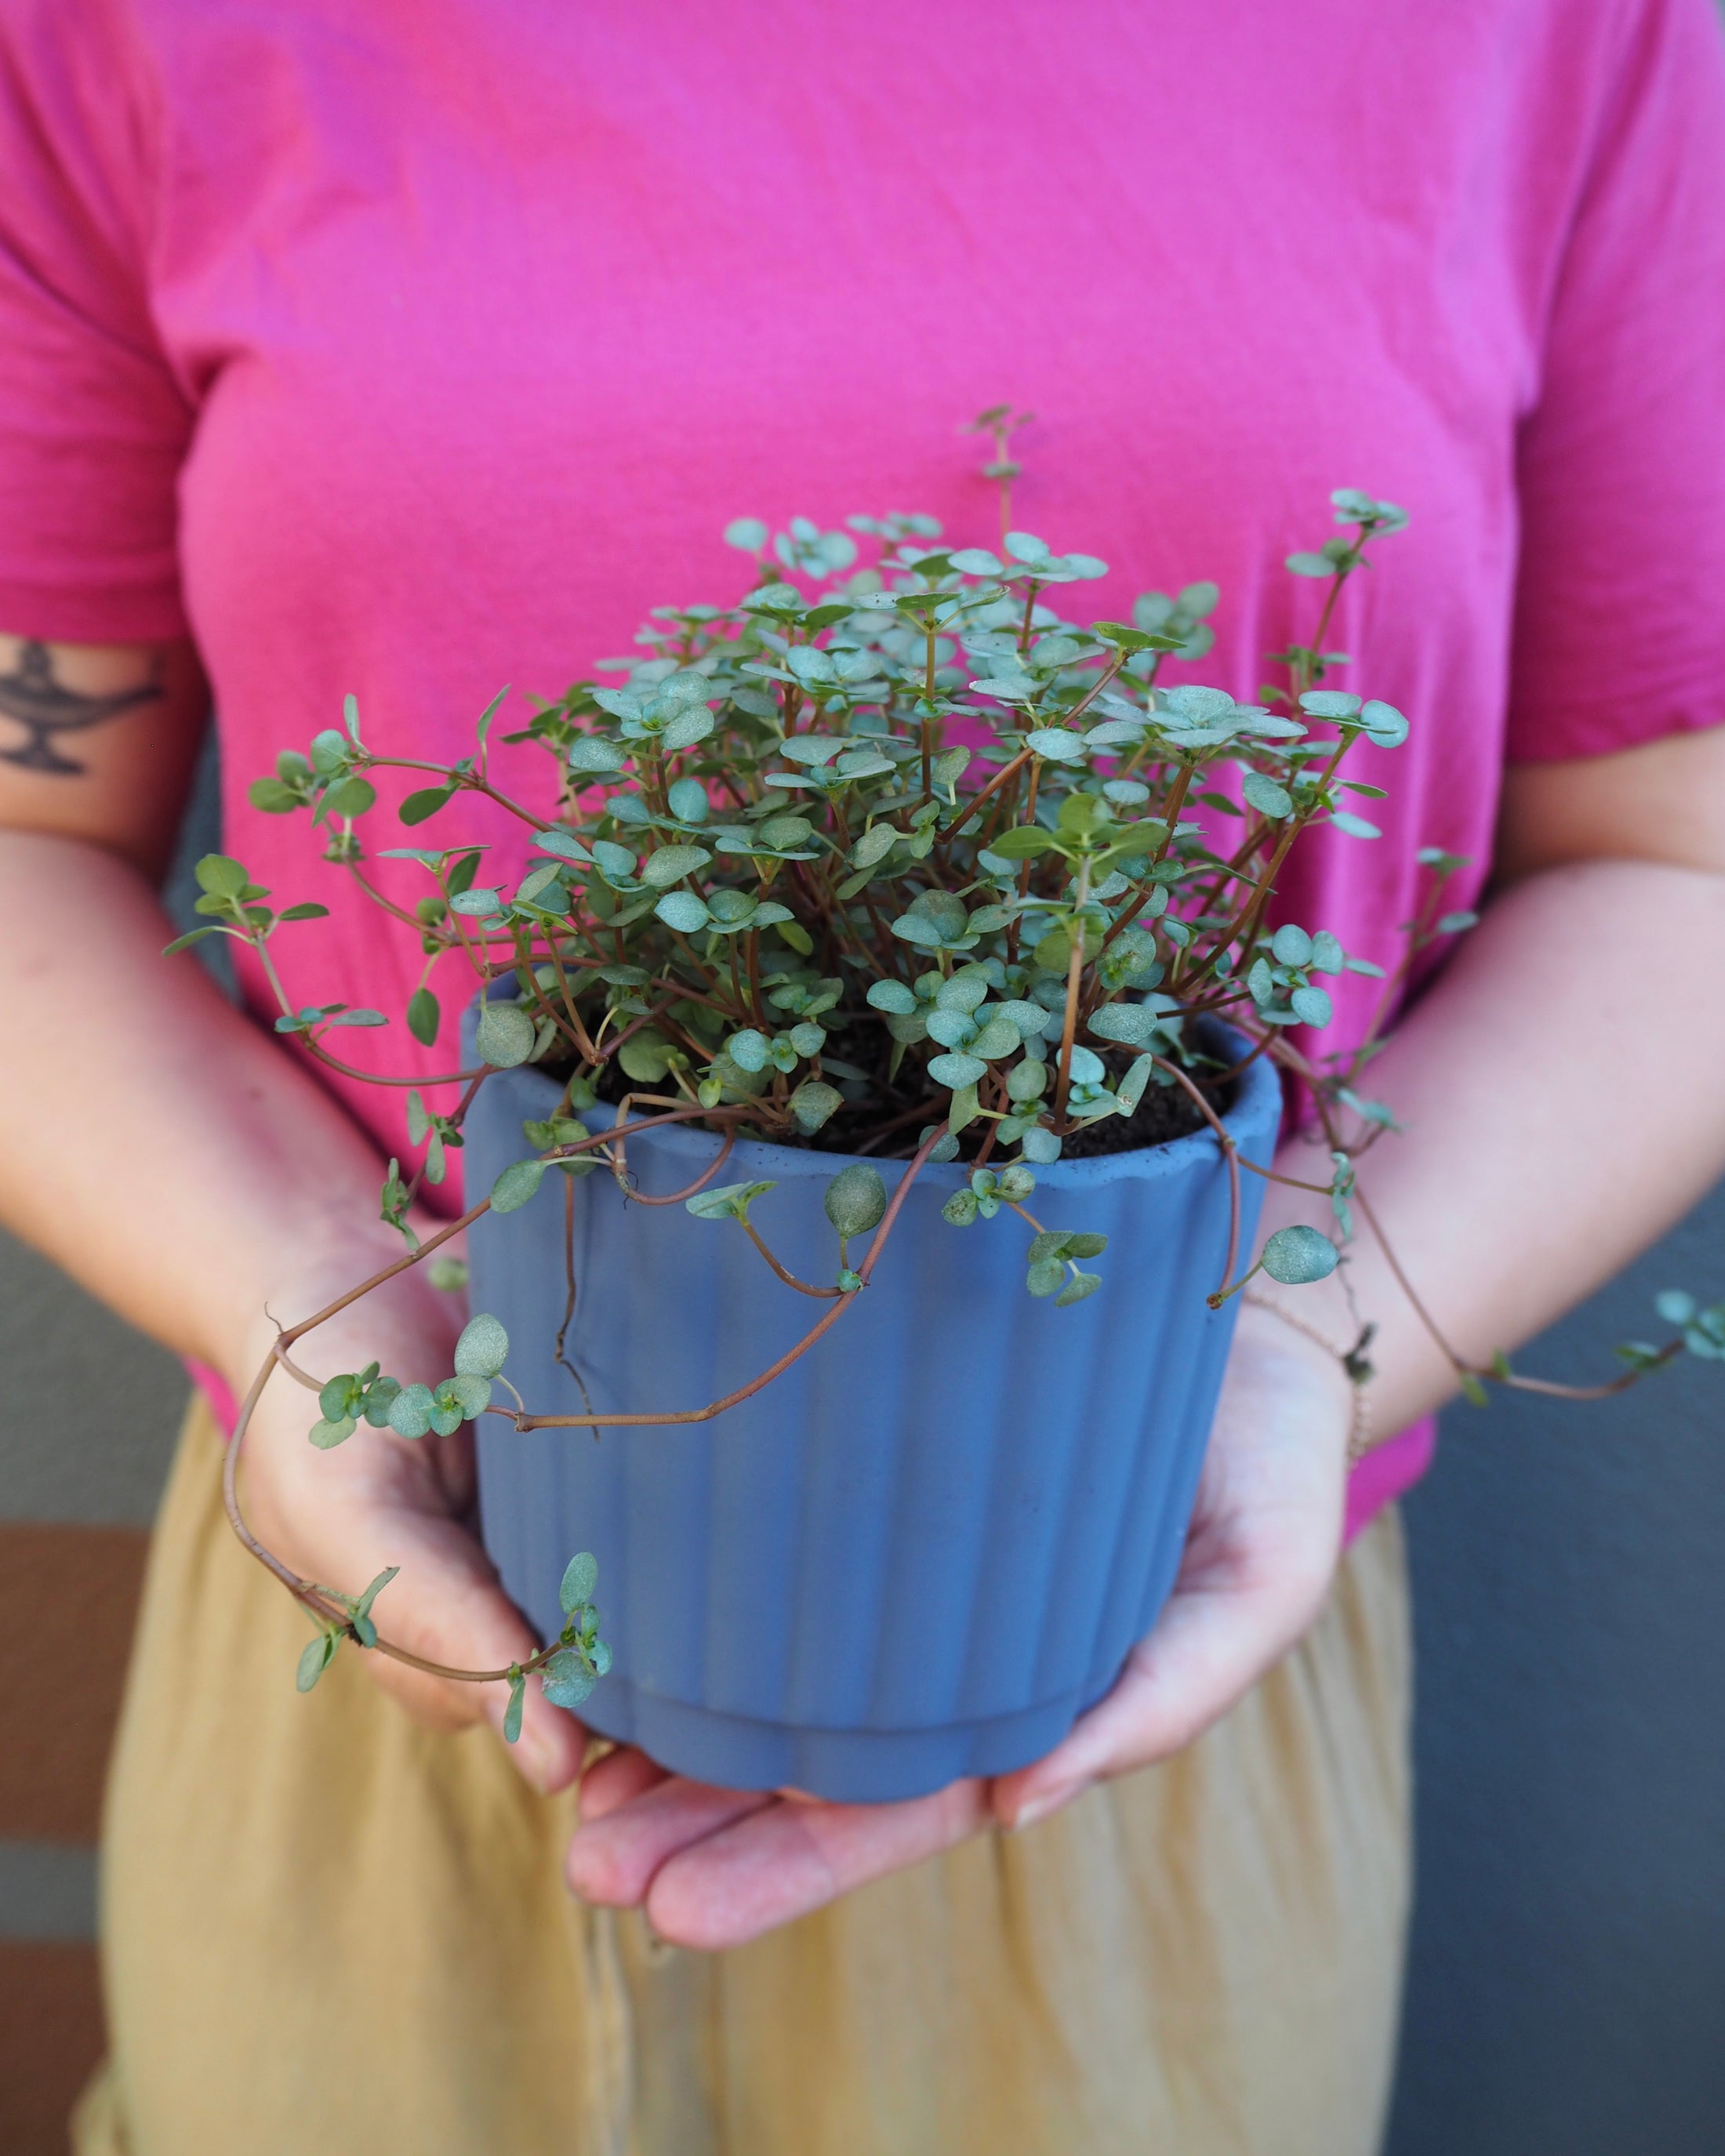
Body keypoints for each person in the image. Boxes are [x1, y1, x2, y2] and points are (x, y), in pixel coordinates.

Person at [3, 2, 1724, 2149]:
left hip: (1138, 1634)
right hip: (376, 1609)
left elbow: (1680, 862)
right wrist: (293, 1298)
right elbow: (21, 831)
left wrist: (1285, 1344)